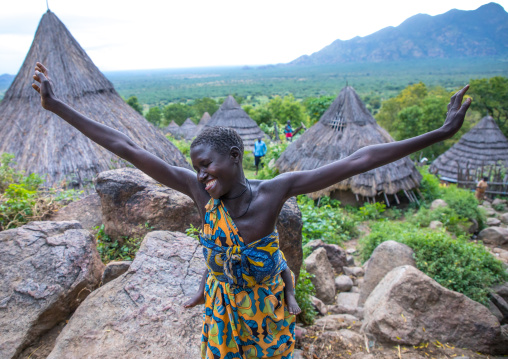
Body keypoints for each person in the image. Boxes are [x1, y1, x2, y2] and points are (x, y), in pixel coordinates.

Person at [32, 62, 471, 359]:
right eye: (195, 166)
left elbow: (359, 159)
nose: (200, 174)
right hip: (223, 306)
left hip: (266, 306)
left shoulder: (276, 191)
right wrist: (57, 106)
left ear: (236, 157)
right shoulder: (197, 192)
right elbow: (124, 146)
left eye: (207, 164)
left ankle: (291, 292)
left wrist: (439, 132)